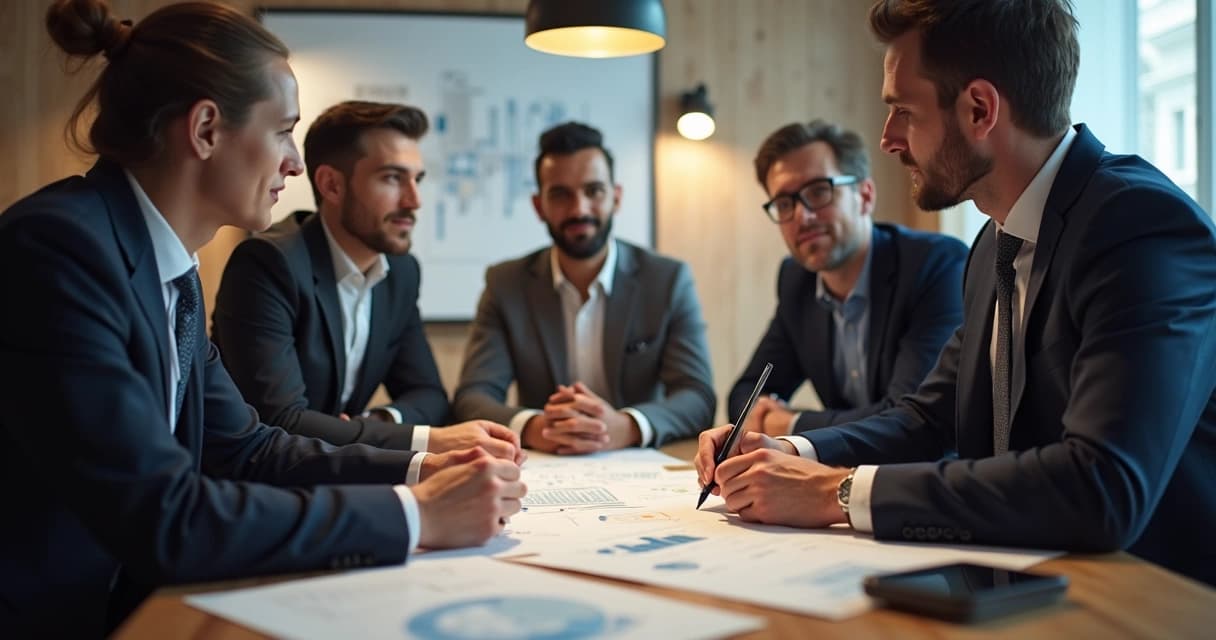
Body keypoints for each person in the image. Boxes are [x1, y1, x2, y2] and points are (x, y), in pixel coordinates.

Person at [0, 2, 524, 636]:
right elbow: (166, 516)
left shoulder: (169, 268)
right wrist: (415, 516)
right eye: (282, 132)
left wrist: (421, 469)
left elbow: (249, 449)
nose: (295, 164)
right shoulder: (59, 251)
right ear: (205, 130)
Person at [696, 0, 1216, 587]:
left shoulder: (1138, 225)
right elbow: (927, 416)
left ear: (978, 109)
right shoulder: (994, 245)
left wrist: (838, 493)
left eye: (903, 112)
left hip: (1155, 595)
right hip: (1028, 575)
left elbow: (1101, 485)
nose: (889, 140)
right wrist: (795, 451)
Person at [213, 101, 521, 461]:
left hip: (341, 476)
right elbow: (281, 421)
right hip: (256, 483)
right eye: (392, 178)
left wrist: (379, 419)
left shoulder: (401, 272)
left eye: (417, 179)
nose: (414, 200)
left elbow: (430, 397)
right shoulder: (268, 264)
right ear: (331, 185)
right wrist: (428, 442)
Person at [453, 122, 715, 454]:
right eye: (560, 194)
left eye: (594, 190)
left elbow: (697, 396)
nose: (579, 209)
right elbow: (472, 396)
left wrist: (627, 426)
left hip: (640, 464)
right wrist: (533, 427)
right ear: (538, 206)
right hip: (544, 465)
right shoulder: (506, 285)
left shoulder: (667, 280)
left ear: (615, 198)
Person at [730, 120, 966, 435]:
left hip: (926, 476)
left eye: (818, 191)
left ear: (865, 196)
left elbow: (909, 417)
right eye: (785, 203)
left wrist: (791, 423)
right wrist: (765, 416)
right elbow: (745, 395)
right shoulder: (796, 281)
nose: (803, 216)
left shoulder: (936, 266)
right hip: (839, 472)